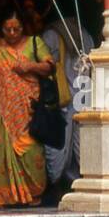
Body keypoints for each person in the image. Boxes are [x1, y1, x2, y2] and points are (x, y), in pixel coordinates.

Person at [0, 5, 54, 208]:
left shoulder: (35, 43)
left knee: (32, 151)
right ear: (1, 28)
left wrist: (30, 66)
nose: (13, 33)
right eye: (8, 29)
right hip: (2, 114)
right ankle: (7, 195)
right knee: (3, 151)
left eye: (17, 29)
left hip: (29, 110)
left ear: (24, 27)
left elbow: (50, 66)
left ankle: (33, 193)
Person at [41, 13, 95, 190]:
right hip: (84, 98)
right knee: (79, 144)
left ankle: (58, 185)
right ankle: (78, 183)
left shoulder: (51, 35)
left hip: (62, 99)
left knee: (58, 146)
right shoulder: (85, 35)